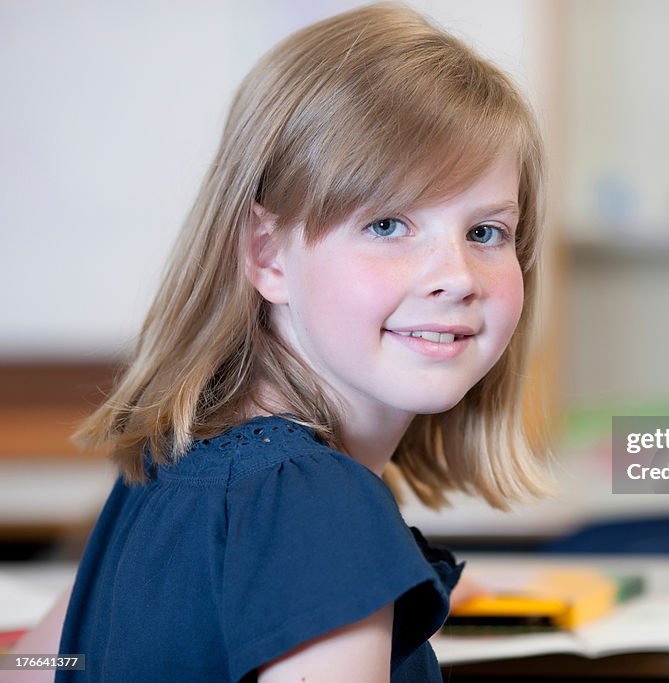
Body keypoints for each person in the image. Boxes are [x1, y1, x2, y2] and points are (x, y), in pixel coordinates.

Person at [10, 4, 552, 681]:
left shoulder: (171, 459)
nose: (456, 277)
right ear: (266, 255)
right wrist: (338, 569)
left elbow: (40, 661)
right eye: (387, 224)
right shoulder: (317, 506)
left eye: (485, 232)